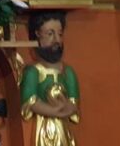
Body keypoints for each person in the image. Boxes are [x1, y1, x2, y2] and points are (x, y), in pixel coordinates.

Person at [22, 11, 80, 146]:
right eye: (50, 34)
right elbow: (30, 101)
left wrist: (65, 109)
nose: (57, 40)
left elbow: (74, 103)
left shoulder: (68, 72)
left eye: (60, 34)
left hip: (64, 132)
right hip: (43, 131)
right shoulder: (33, 72)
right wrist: (55, 111)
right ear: (37, 34)